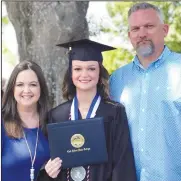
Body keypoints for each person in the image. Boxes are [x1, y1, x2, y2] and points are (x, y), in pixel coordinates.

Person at [37, 39, 137, 181]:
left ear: (99, 72)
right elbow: (47, 163)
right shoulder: (56, 116)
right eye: (78, 69)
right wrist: (48, 170)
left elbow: (122, 164)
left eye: (91, 68)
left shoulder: (114, 113)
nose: (84, 74)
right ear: (71, 74)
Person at [109, 2, 181, 181]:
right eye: (135, 28)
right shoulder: (116, 80)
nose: (142, 33)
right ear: (129, 35)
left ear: (164, 29)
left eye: (149, 26)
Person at [2, 60, 50, 181]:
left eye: (33, 84)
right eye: (20, 85)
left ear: (41, 88)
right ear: (12, 89)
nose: (27, 90)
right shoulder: (2, 123)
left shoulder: (52, 122)